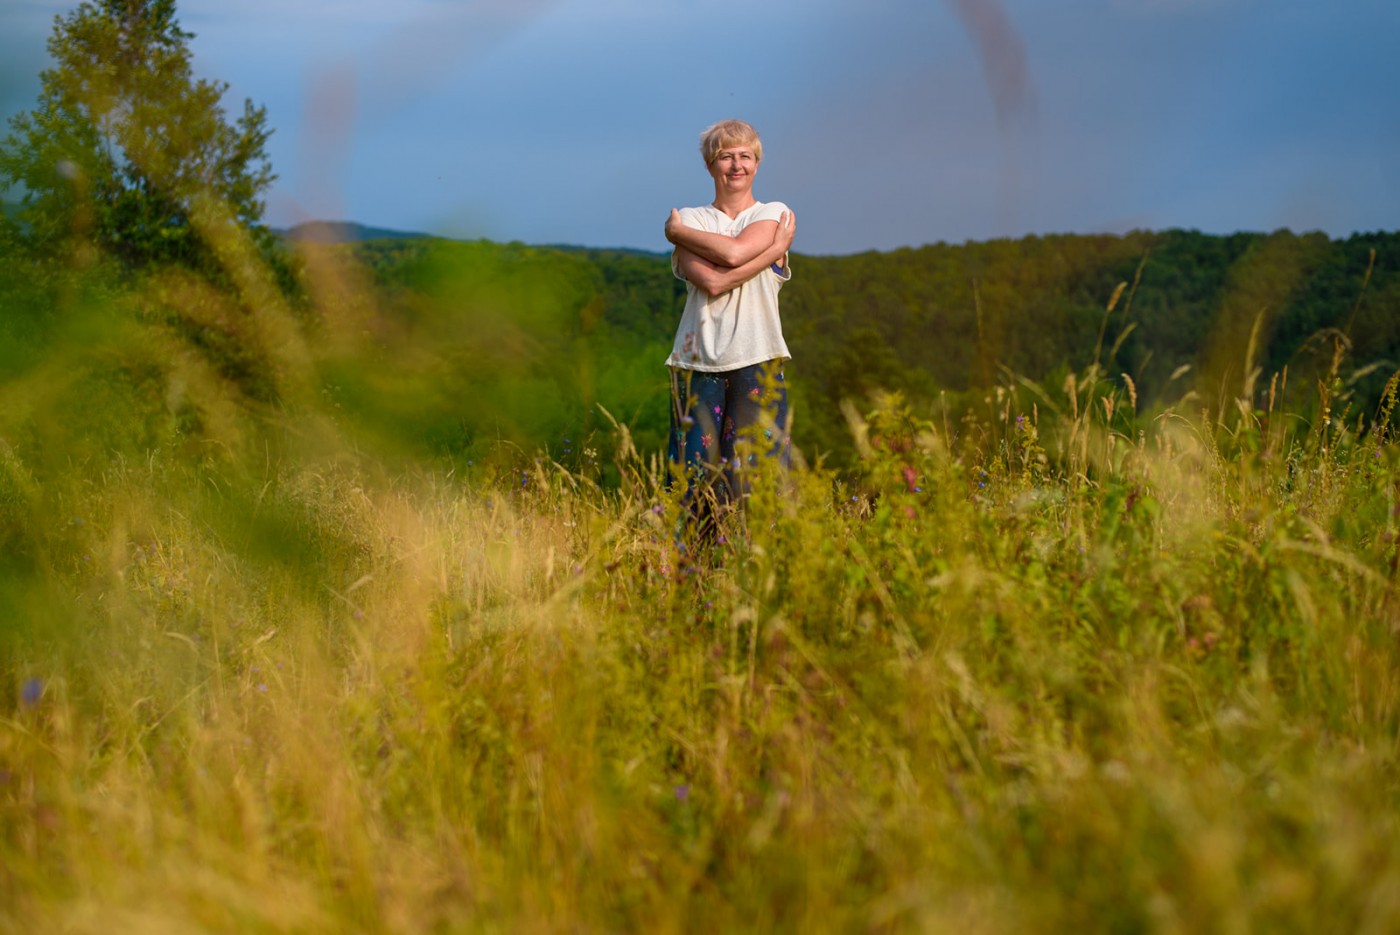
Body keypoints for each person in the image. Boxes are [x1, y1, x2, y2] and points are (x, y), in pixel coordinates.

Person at [664, 119, 796, 544]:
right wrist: (771, 250)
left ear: (757, 163)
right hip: (696, 362)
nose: (736, 165)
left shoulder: (773, 213)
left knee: (754, 480)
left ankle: (754, 573)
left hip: (756, 358)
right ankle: (695, 580)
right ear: (710, 165)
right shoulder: (693, 217)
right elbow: (716, 282)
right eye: (726, 156)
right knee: (694, 483)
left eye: (744, 156)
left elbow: (736, 253)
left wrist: (680, 235)